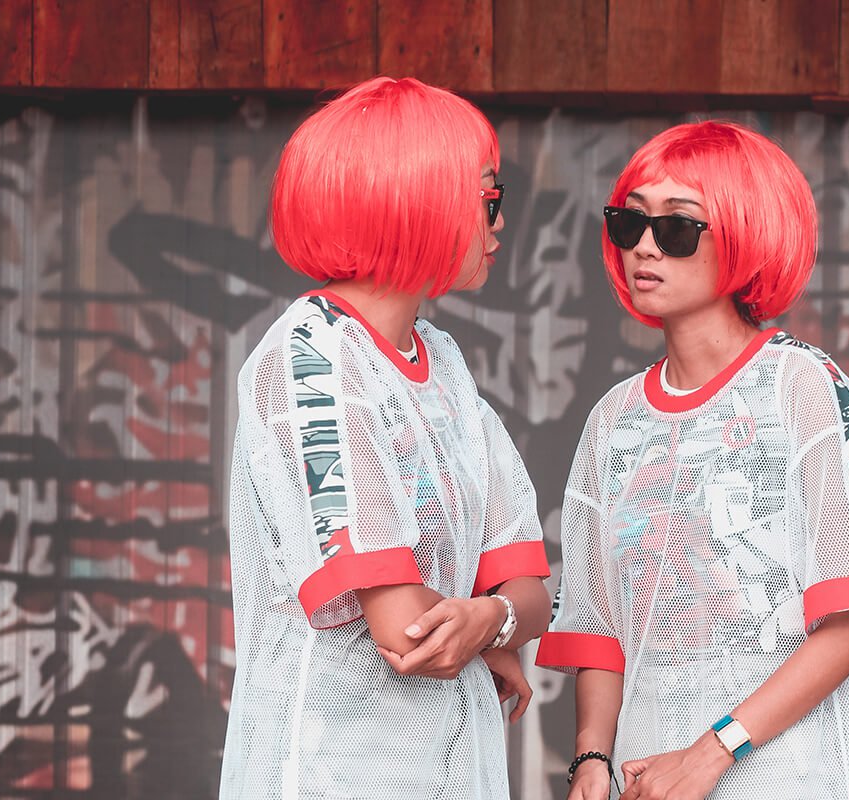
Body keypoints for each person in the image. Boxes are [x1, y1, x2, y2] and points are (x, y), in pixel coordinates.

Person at [535, 120, 849, 800]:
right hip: (645, 781)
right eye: (630, 222)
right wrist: (590, 758)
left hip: (777, 777)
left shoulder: (801, 387)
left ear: (745, 235)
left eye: (678, 228)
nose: (644, 247)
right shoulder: (612, 419)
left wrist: (711, 752)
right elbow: (598, 628)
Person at [219, 76, 552, 800]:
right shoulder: (314, 359)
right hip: (333, 770)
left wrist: (487, 620)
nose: (500, 222)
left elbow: (529, 592)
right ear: (417, 200)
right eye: (488, 198)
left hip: (451, 771)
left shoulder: (445, 364)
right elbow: (409, 634)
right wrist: (485, 625)